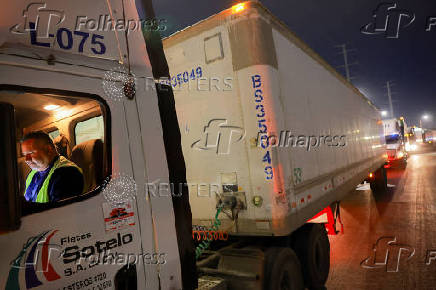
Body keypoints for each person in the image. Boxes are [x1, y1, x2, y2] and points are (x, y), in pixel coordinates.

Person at [21, 131, 84, 203]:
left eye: (31, 153)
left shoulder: (67, 173)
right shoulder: (33, 173)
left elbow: (60, 211)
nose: (27, 159)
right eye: (25, 155)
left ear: (48, 149)